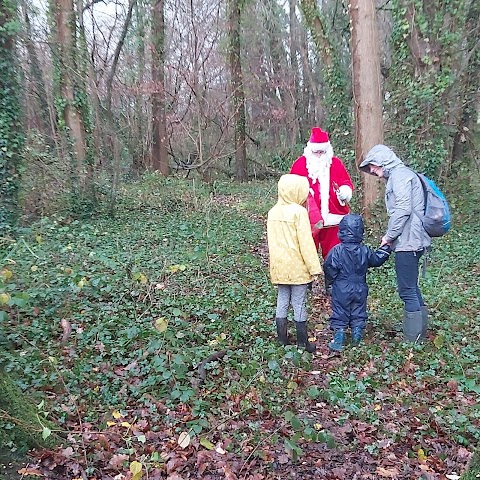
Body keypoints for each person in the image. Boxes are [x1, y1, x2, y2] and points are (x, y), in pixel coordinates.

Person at [359, 144, 432, 342]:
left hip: (408, 241)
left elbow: (403, 210)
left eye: (373, 166)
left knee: (406, 289)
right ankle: (419, 334)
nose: (372, 171)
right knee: (412, 287)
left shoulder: (400, 176)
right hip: (415, 239)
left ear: (383, 160)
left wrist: (389, 236)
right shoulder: (404, 174)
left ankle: (413, 340)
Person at [267, 174, 323, 353]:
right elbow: (305, 243)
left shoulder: (272, 212)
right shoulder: (299, 212)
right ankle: (302, 342)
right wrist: (314, 268)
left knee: (282, 301)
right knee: (299, 303)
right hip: (297, 268)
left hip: (280, 267)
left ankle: (282, 340)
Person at [323, 214, 391, 351]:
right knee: (358, 311)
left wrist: (331, 283)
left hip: (341, 286)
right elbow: (376, 259)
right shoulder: (364, 250)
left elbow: (328, 267)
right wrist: (386, 249)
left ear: (341, 230)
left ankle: (339, 340)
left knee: (340, 312)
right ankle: (357, 337)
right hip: (360, 286)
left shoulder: (336, 251)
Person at [290, 127, 354, 259]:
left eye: (322, 152)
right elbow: (290, 188)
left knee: (335, 255)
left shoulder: (335, 164)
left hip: (333, 218)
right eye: (316, 152)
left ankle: (334, 278)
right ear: (310, 150)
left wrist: (344, 192)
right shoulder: (300, 164)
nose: (319, 156)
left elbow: (346, 182)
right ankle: (307, 279)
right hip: (308, 218)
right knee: (306, 255)